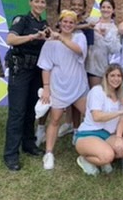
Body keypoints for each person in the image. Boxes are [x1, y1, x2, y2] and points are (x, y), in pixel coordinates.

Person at [37, 10, 89, 170]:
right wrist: (46, 88)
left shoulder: (80, 37)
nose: (67, 25)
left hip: (78, 84)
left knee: (90, 115)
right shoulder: (50, 43)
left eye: (71, 22)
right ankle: (49, 153)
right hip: (58, 85)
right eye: (64, 22)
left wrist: (61, 38)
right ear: (59, 23)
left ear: (74, 25)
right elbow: (45, 67)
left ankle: (88, 148)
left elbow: (79, 50)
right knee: (55, 119)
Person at [3, 0, 48, 171]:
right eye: (36, 1)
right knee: (17, 112)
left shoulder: (44, 24)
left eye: (42, 2)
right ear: (30, 2)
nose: (39, 4)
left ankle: (28, 144)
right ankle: (11, 155)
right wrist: (32, 36)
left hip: (36, 71)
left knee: (31, 110)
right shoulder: (21, 20)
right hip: (20, 70)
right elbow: (10, 39)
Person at [75, 64, 123, 176]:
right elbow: (97, 117)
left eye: (119, 76)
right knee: (108, 156)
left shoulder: (120, 95)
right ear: (106, 77)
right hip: (88, 133)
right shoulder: (97, 91)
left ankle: (102, 155)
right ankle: (85, 159)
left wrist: (119, 137)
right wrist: (119, 112)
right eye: (112, 75)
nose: (116, 79)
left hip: (107, 134)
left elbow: (121, 120)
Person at [53, 0, 94, 140]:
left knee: (79, 99)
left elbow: (85, 50)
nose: (77, 7)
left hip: (81, 67)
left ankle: (77, 128)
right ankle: (68, 124)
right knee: (66, 99)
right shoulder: (66, 21)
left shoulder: (87, 28)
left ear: (84, 8)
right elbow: (58, 31)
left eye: (80, 5)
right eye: (74, 4)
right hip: (63, 70)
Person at [85, 0, 121, 88]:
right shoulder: (91, 20)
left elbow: (115, 49)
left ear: (113, 10)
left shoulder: (114, 29)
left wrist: (106, 35)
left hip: (99, 67)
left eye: (108, 7)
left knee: (96, 92)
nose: (105, 9)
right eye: (103, 7)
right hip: (85, 63)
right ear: (100, 9)